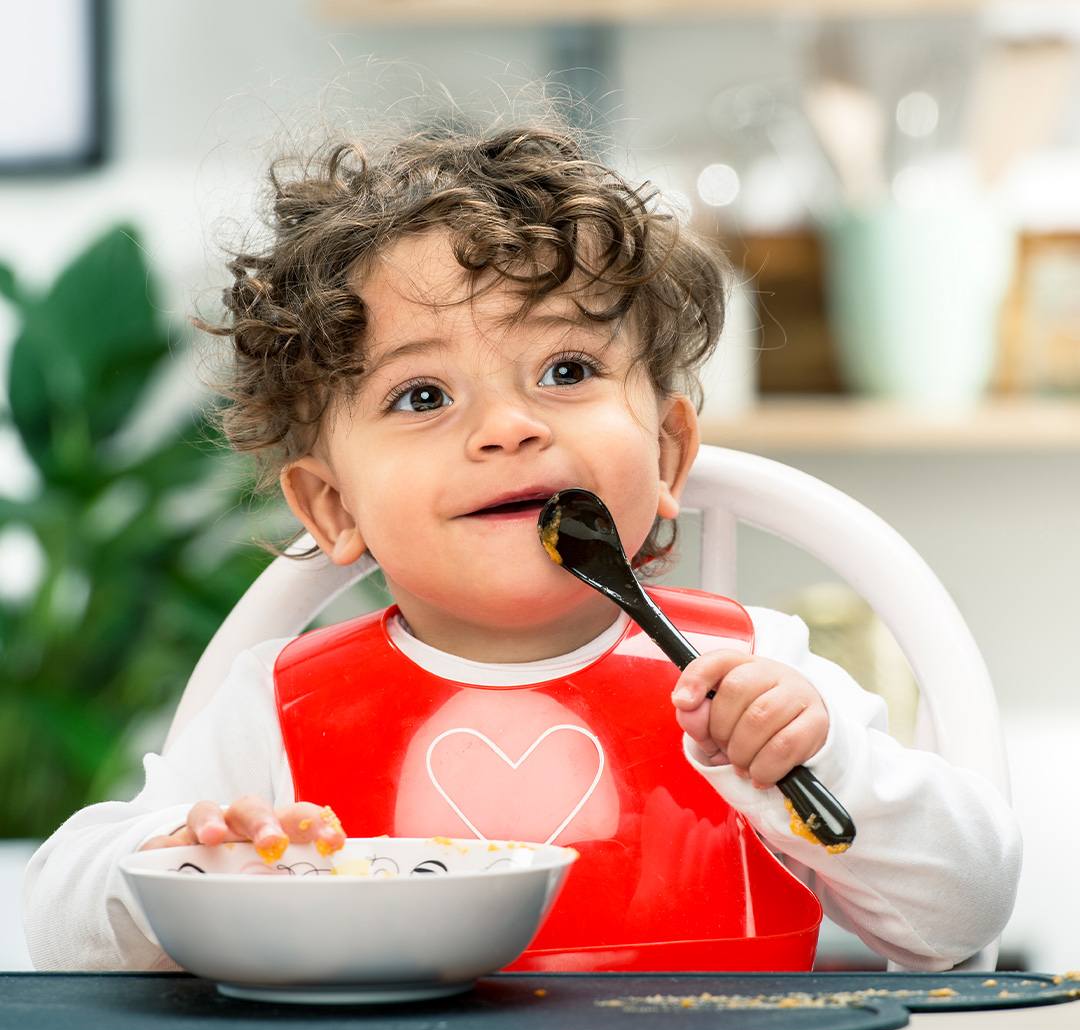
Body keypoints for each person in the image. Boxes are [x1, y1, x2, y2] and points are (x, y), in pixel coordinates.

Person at [22, 116, 1020, 973]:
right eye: (422, 395)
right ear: (333, 510)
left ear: (667, 451)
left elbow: (962, 916)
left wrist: (826, 765)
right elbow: (59, 928)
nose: (508, 427)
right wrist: (190, 861)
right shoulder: (281, 714)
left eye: (567, 368)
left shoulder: (758, 684)